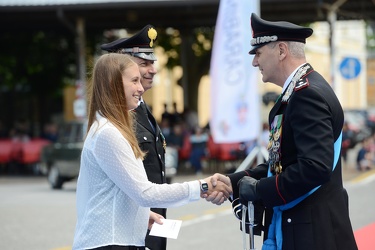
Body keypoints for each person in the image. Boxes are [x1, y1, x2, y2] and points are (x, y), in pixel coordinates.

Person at [206, 13, 358, 250]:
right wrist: (232, 182)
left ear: (281, 51)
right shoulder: (297, 93)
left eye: (258, 53)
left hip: (313, 233)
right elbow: (281, 164)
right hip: (302, 226)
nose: (254, 63)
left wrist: (258, 190)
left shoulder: (307, 95)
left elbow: (314, 167)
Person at [72, 53, 231, 250]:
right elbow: (144, 193)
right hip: (109, 244)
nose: (140, 88)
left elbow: (113, 190)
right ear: (114, 84)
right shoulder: (108, 133)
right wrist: (202, 186)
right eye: (135, 80)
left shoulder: (109, 128)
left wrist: (141, 216)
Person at [100, 25, 168, 250]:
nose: (152, 70)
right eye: (144, 64)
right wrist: (203, 187)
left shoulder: (142, 109)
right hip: (130, 227)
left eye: (152, 63)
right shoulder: (118, 117)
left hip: (152, 218)